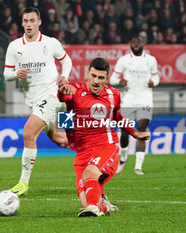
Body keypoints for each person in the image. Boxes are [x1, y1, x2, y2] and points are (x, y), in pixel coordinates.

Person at [58, 58, 150, 217]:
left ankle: (93, 209)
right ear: (87, 74)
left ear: (107, 79)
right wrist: (62, 89)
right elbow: (62, 98)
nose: (96, 81)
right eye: (93, 76)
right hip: (82, 152)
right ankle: (103, 205)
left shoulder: (113, 94)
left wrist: (133, 132)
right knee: (84, 200)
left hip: (106, 145)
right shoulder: (75, 91)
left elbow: (116, 116)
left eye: (101, 78)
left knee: (90, 173)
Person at [3, 7, 72, 196]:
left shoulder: (50, 43)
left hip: (50, 96)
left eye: (32, 20)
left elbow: (66, 61)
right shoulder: (15, 46)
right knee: (60, 140)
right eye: (25, 21)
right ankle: (90, 148)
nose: (28, 24)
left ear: (39, 22)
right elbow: (6, 74)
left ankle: (23, 183)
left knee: (28, 133)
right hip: (33, 101)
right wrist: (16, 74)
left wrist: (64, 77)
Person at [110, 37, 160, 175]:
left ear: (143, 44)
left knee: (142, 129)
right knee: (125, 132)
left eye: (138, 42)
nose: (136, 45)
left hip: (145, 99)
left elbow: (156, 77)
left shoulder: (151, 60)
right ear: (130, 45)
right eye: (134, 42)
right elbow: (113, 78)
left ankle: (138, 167)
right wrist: (120, 81)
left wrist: (153, 83)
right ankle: (123, 158)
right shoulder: (124, 60)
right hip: (128, 100)